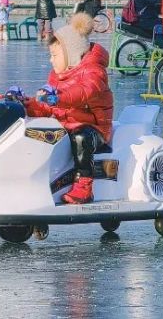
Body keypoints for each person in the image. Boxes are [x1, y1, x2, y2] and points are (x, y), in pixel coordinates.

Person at [22, 13, 113, 204]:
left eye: (55, 55)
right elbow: (49, 107)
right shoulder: (57, 75)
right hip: (67, 125)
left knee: (81, 137)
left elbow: (83, 92)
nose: (51, 60)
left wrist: (58, 98)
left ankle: (84, 185)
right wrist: (28, 104)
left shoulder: (94, 71)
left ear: (71, 54)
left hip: (94, 128)